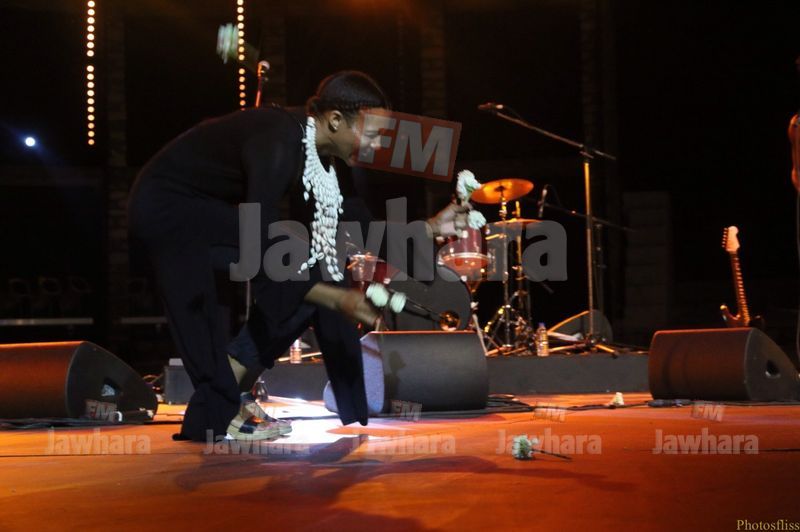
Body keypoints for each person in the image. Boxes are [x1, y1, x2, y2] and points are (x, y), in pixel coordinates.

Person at [128, 71, 467, 442]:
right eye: (371, 135)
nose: (375, 146)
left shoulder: (330, 160)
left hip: (210, 210)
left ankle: (227, 395)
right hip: (167, 207)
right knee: (300, 269)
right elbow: (261, 239)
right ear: (335, 120)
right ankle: (223, 402)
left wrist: (432, 227)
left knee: (316, 270)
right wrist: (333, 297)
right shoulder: (277, 138)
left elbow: (362, 231)